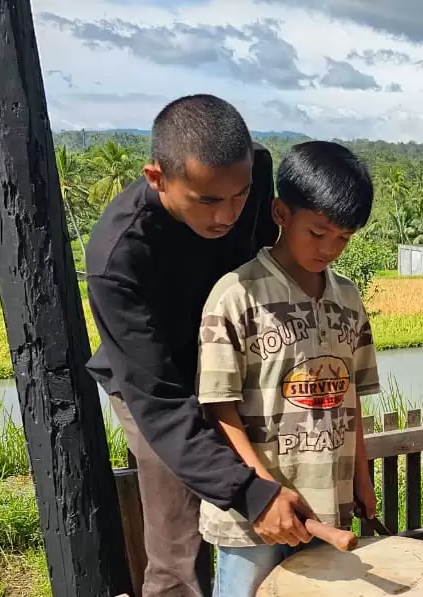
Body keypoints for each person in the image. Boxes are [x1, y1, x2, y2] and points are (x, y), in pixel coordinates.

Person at [85, 94, 296, 596]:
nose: (227, 215)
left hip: (231, 362)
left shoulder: (251, 170)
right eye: (207, 200)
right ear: (157, 178)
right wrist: (250, 493)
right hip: (157, 383)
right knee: (179, 545)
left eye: (240, 196)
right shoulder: (118, 257)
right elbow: (159, 404)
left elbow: (265, 258)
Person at [195, 140, 380, 596]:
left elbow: (351, 396)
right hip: (253, 516)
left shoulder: (348, 300)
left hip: (326, 504)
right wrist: (262, 492)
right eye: (317, 233)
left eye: (343, 238)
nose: (329, 249)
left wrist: (361, 478)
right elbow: (219, 408)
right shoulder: (237, 296)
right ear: (281, 213)